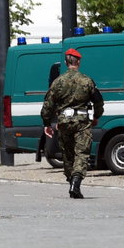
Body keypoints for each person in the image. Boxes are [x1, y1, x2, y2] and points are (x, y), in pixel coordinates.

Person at [40, 48, 104, 198]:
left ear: (66, 62)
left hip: (64, 123)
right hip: (82, 122)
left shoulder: (57, 82)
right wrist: (96, 116)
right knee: (81, 153)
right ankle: (76, 182)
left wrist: (46, 124)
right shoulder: (87, 81)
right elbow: (99, 102)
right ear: (78, 62)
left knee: (68, 155)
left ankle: (71, 182)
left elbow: (47, 106)